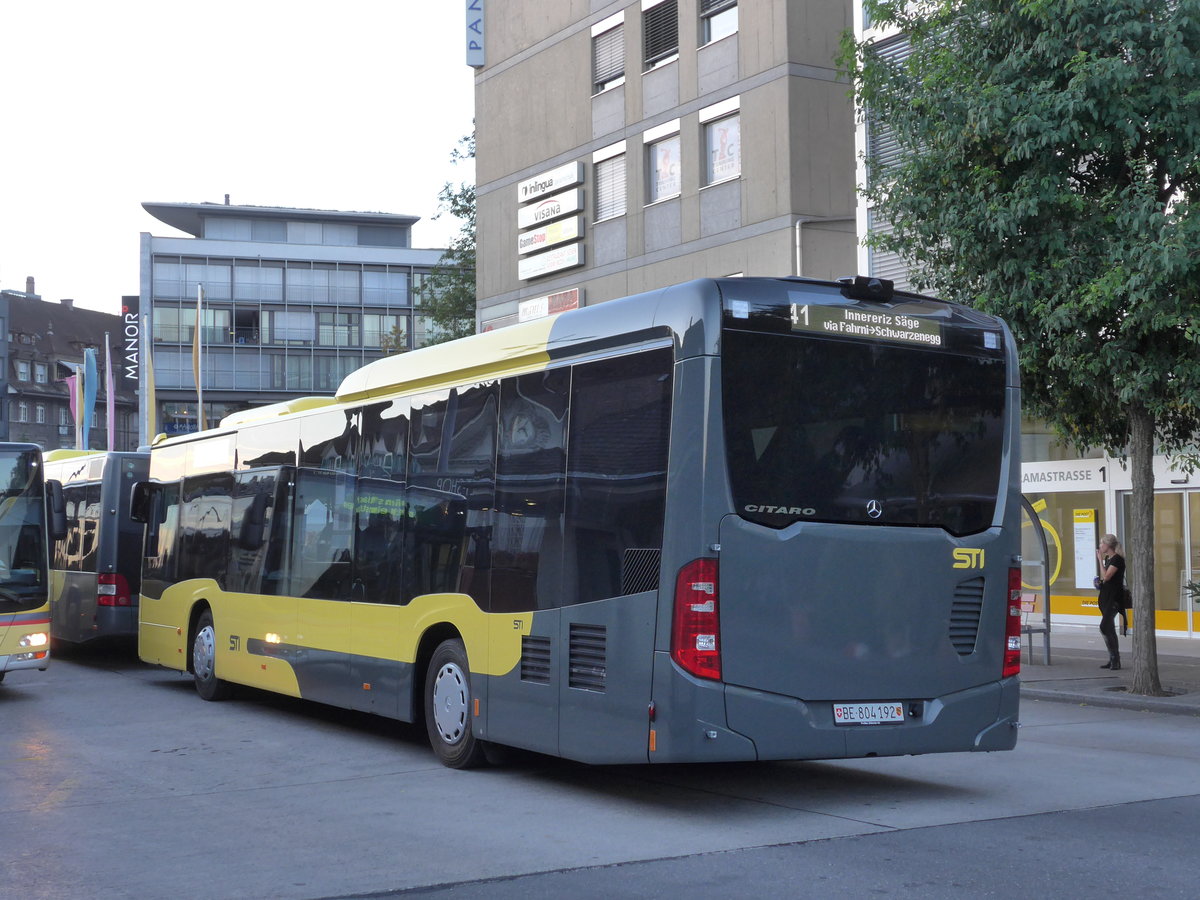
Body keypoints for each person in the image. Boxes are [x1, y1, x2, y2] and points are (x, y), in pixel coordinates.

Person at [1095, 534, 1126, 670]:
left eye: (1102, 544)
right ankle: (1113, 659)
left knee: (1105, 626)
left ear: (1108, 546)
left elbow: (1106, 576)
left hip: (1114, 598)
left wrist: (1100, 561)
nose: (1100, 546)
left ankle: (1115, 658)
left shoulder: (1117, 559)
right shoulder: (1110, 559)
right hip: (1106, 597)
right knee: (1109, 628)